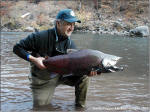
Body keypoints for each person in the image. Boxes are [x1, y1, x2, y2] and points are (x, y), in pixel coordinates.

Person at [13, 9, 98, 108]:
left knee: (84, 76)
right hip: (43, 79)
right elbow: (17, 48)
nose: (72, 28)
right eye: (69, 24)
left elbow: (75, 68)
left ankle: (80, 108)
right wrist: (33, 59)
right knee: (41, 108)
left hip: (63, 75)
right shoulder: (40, 37)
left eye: (73, 24)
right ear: (58, 23)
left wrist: (87, 71)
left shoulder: (71, 45)